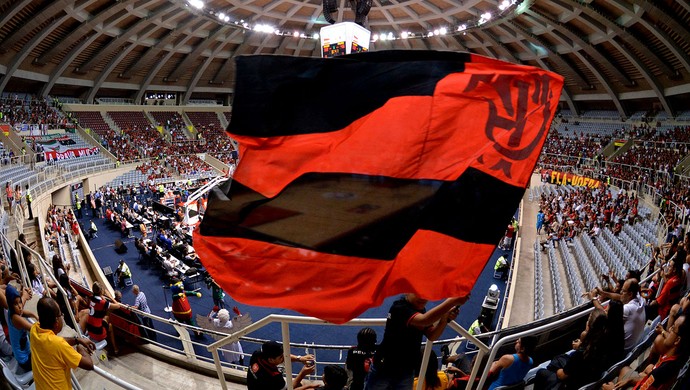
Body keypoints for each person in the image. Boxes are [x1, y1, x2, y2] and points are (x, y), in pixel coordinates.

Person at [365, 293, 469, 390]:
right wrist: (451, 302)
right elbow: (424, 320)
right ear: (407, 291)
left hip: (406, 370)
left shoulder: (420, 310)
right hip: (384, 368)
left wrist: (444, 319)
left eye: (426, 295)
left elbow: (432, 335)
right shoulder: (399, 308)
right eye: (418, 294)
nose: (423, 298)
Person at [602, 313, 690, 390]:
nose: (669, 329)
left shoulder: (662, 371)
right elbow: (648, 381)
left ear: (677, 340)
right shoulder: (676, 358)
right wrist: (630, 380)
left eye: (673, 328)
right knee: (628, 369)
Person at [30, 297, 96, 390]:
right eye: (61, 314)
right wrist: (80, 349)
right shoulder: (59, 344)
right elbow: (89, 364)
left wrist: (77, 340)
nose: (62, 317)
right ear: (56, 321)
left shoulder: (34, 329)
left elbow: (55, 341)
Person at [247, 340, 316, 390]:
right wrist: (303, 374)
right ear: (271, 360)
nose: (284, 357)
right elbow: (288, 389)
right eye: (280, 357)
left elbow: (283, 357)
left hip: (253, 386)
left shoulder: (257, 354)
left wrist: (299, 358)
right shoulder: (274, 376)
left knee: (301, 384)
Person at [6, 284, 37, 372]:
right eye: (16, 304)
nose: (20, 306)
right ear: (11, 305)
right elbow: (33, 329)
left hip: (25, 353)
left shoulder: (11, 311)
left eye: (20, 302)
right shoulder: (16, 319)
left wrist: (34, 315)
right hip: (25, 360)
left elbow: (22, 310)